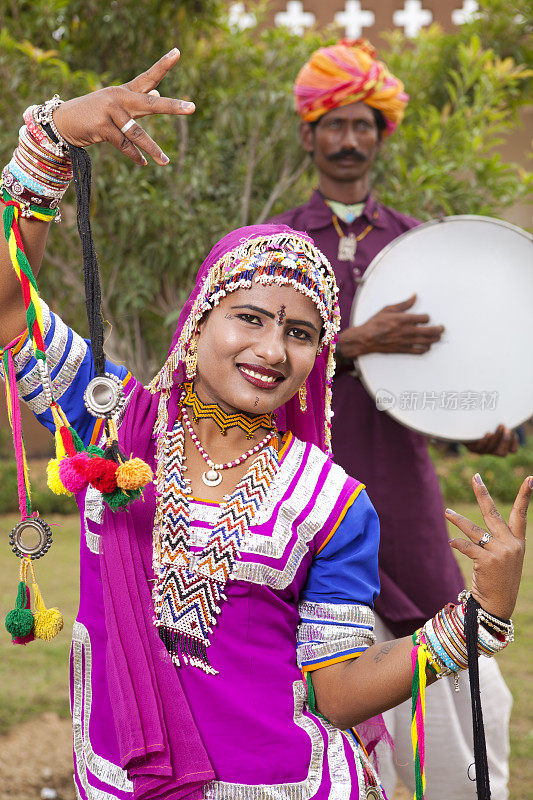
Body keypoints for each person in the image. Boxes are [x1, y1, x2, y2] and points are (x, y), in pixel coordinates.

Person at [0, 50, 528, 800]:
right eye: (247, 318)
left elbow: (339, 693)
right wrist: (49, 140)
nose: (270, 350)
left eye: (301, 334)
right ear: (194, 326)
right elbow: (9, 304)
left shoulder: (330, 499)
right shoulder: (115, 426)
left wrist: (483, 618)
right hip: (125, 779)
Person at [270, 39, 520, 799]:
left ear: (382, 136)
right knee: (308, 736)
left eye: (363, 125)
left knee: (466, 722)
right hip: (294, 518)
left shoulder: (422, 248)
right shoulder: (275, 247)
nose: (348, 140)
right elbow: (241, 371)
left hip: (405, 518)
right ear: (308, 133)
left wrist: (480, 420)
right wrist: (350, 346)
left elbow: (449, 380)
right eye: (333, 124)